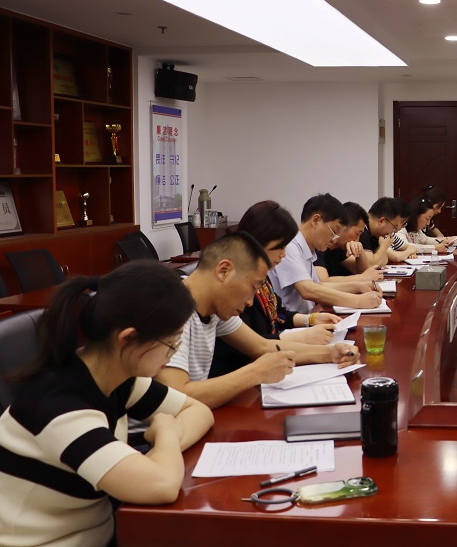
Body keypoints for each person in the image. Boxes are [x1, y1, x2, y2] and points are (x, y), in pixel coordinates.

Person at [0, 262, 214, 547]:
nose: (172, 354)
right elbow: (163, 485)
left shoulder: (119, 378)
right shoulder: (61, 408)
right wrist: (167, 435)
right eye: (171, 343)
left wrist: (158, 457)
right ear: (128, 338)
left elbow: (199, 412)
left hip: (106, 530)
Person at [156, 231, 360, 409]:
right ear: (223, 271)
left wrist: (330, 354)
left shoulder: (213, 307)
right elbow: (175, 396)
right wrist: (255, 373)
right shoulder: (171, 307)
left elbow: (261, 346)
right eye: (253, 287)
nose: (250, 302)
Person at [208, 200, 346, 378]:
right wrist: (305, 338)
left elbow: (277, 313)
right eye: (280, 247)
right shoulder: (232, 283)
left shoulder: (260, 276)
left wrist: (310, 320)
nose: (284, 254)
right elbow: (252, 347)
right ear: (257, 241)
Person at [268, 193, 382, 313]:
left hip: (310, 316)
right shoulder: (290, 245)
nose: (334, 239)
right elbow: (308, 290)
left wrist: (357, 286)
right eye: (334, 231)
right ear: (316, 220)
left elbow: (318, 285)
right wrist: (357, 301)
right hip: (292, 321)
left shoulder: (307, 248)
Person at [315, 201, 385, 282]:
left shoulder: (339, 248)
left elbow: (363, 271)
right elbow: (323, 281)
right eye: (357, 233)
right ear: (343, 227)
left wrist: (360, 249)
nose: (357, 239)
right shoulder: (320, 245)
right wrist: (362, 277)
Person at [354, 197, 410, 270]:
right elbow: (370, 265)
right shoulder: (361, 231)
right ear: (381, 221)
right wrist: (384, 247)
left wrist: (380, 253)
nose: (393, 231)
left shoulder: (375, 234)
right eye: (394, 227)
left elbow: (384, 261)